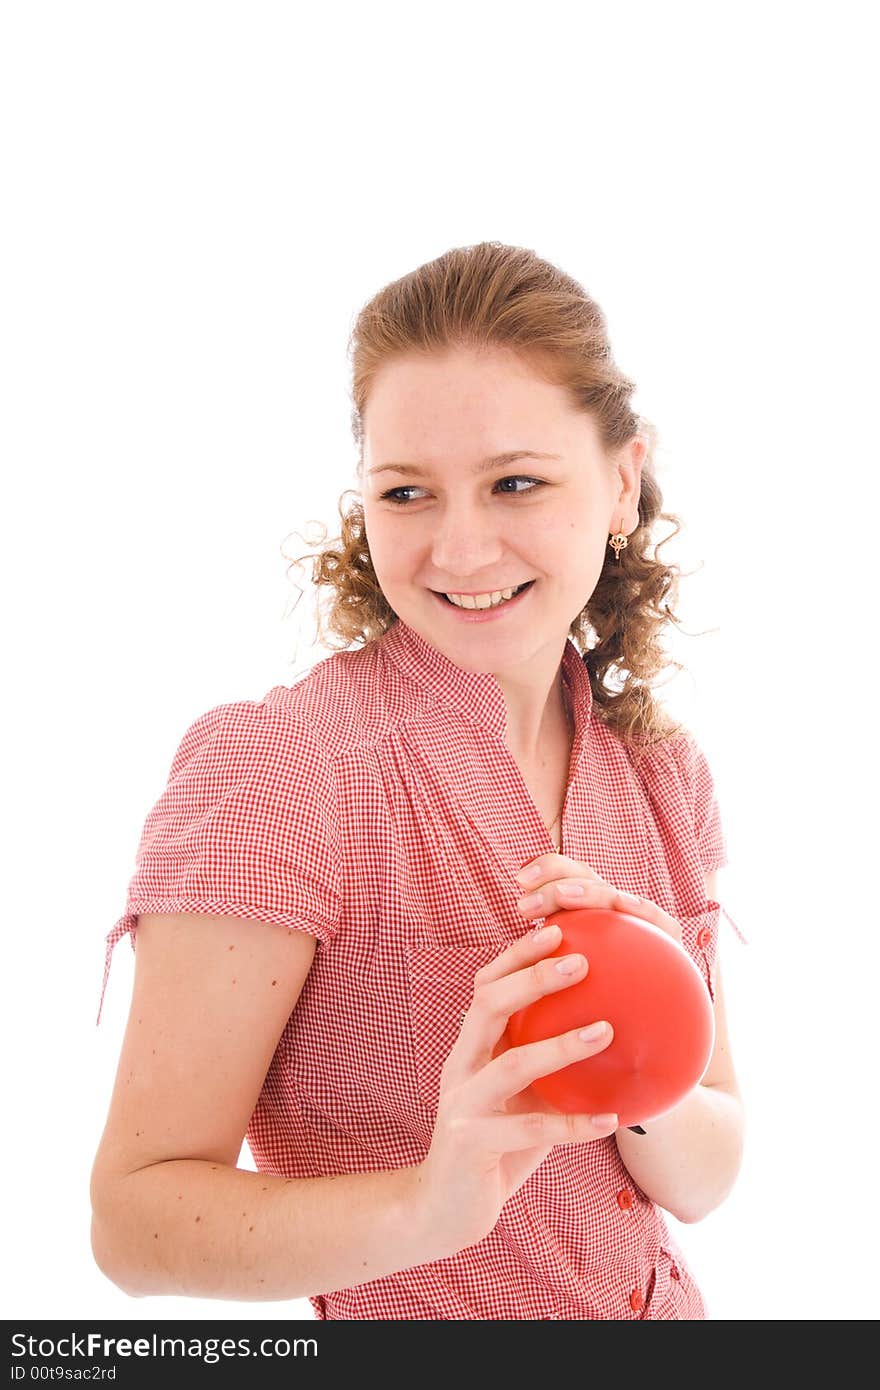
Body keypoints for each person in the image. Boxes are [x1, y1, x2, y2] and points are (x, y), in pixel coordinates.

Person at [90, 241, 748, 1319]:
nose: (460, 547)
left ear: (622, 480)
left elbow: (707, 1165)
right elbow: (134, 1220)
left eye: (516, 482)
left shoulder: (659, 770)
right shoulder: (285, 772)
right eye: (406, 492)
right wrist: (428, 1209)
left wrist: (639, 1048)